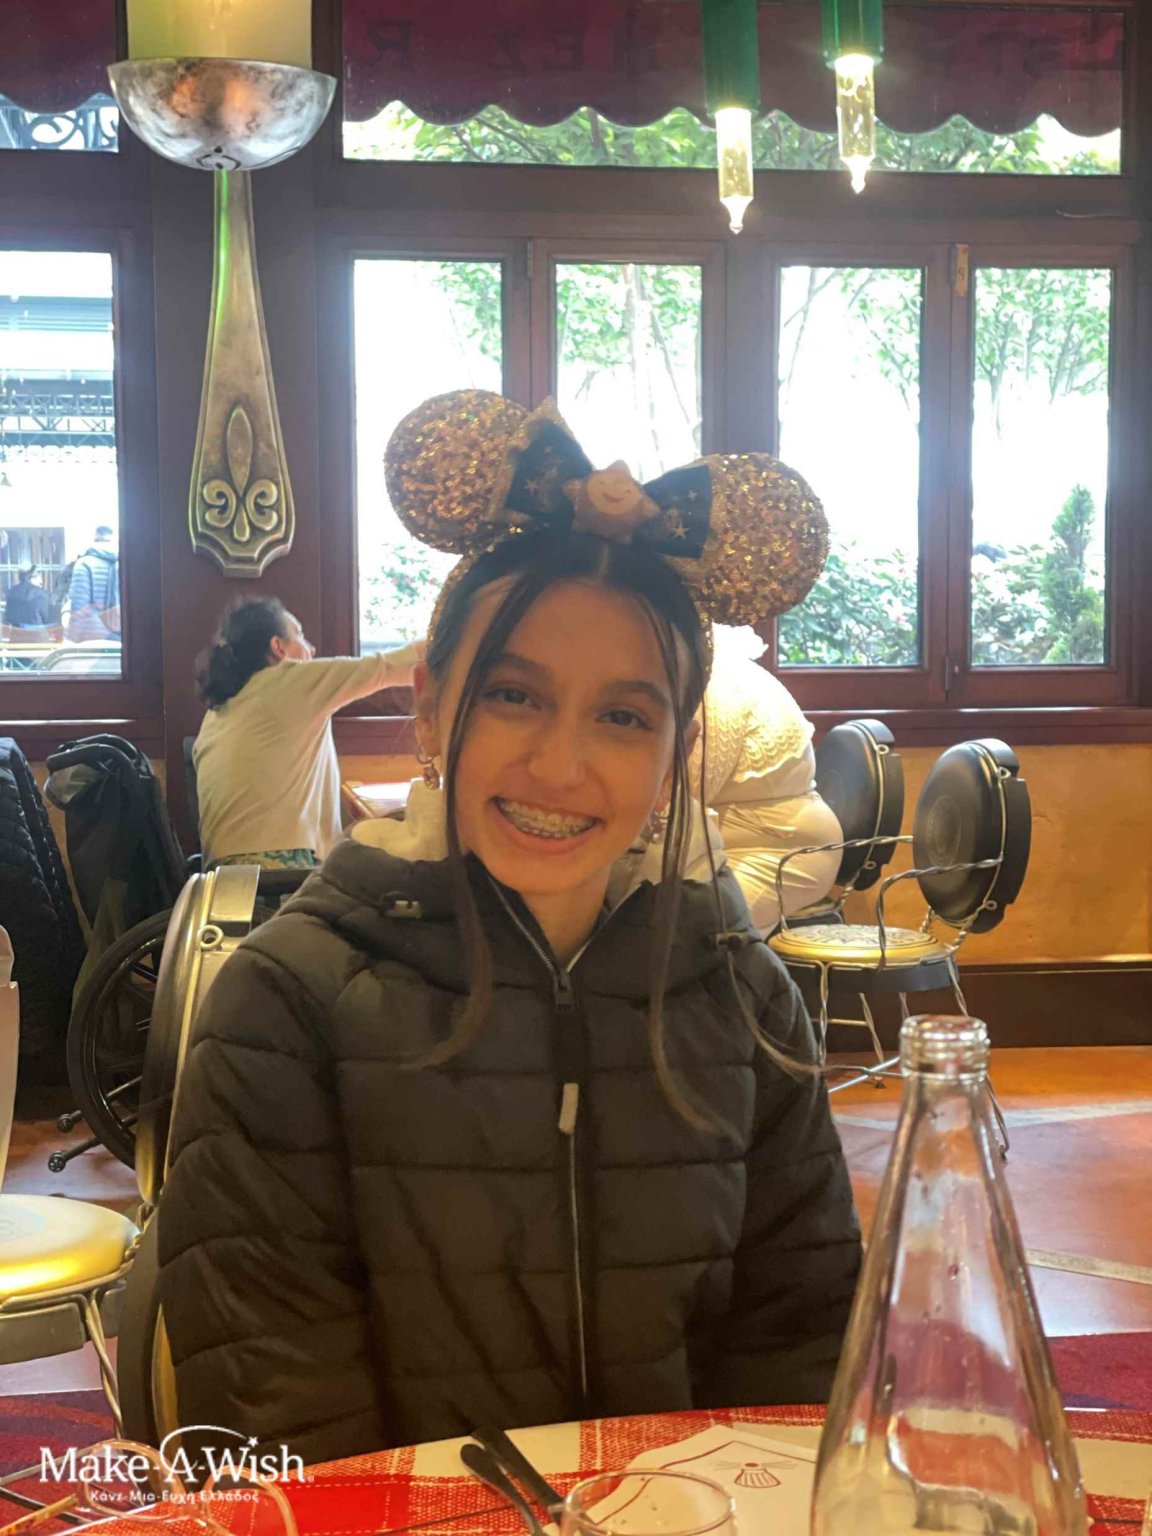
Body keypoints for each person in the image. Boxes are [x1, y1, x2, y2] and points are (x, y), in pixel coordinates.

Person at [159, 390, 861, 1466]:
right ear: (432, 707)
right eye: (514, 697)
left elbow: (804, 1354)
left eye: (622, 716)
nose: (560, 766)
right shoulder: (287, 1006)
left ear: (677, 752)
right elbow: (274, 1409)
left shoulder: (741, 996)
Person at [192, 596, 422, 869]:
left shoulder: (221, 709)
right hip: (276, 873)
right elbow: (399, 664)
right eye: (299, 635)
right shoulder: (286, 681)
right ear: (278, 647)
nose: (311, 649)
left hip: (220, 877)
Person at [63, 525, 120, 642]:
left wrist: (73, 638)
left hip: (94, 636)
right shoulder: (127, 562)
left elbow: (79, 605)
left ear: (95, 538)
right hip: (123, 635)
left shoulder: (84, 564)